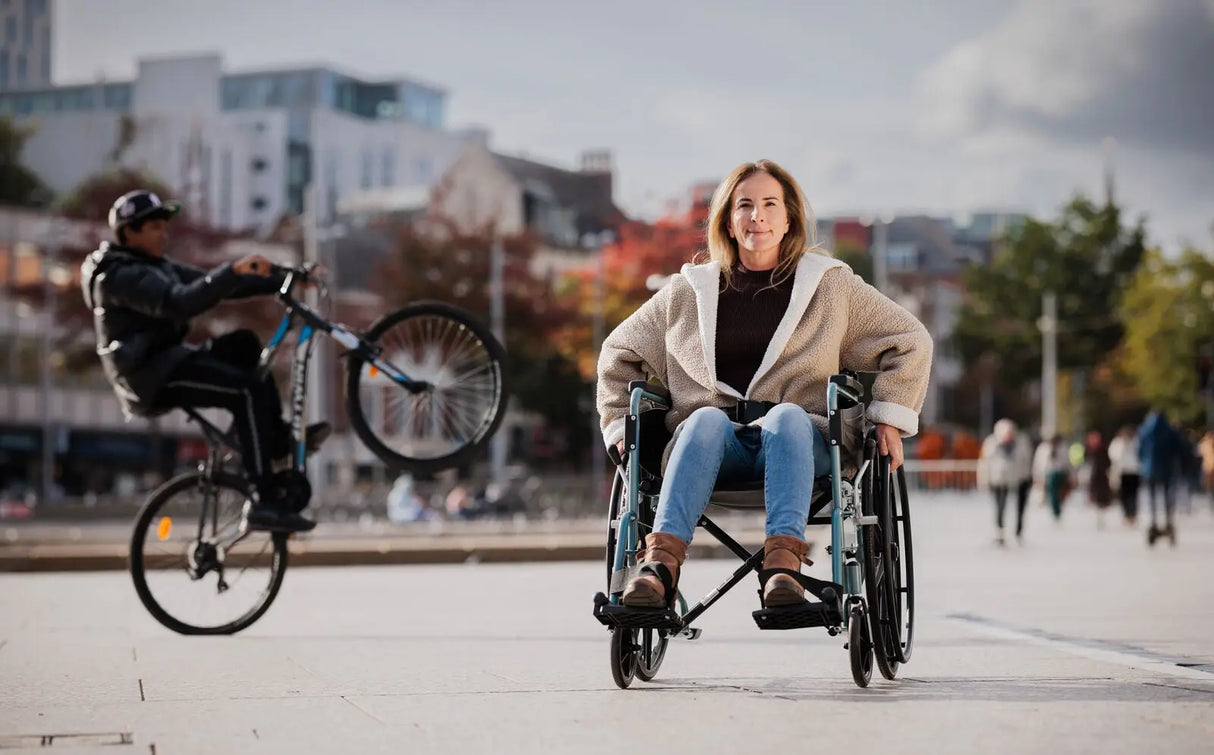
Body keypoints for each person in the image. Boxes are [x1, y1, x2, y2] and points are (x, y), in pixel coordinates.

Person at [596, 159, 932, 610]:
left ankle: (782, 570)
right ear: (728, 221)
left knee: (788, 417)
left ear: (789, 217)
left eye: (770, 204)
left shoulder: (830, 288)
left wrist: (889, 417)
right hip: (714, 450)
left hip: (804, 445)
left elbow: (910, 339)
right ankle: (659, 567)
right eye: (745, 205)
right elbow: (618, 352)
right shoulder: (686, 293)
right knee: (705, 421)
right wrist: (619, 425)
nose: (758, 216)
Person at [81, 190, 330, 533]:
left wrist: (287, 278)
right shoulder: (118, 277)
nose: (163, 233)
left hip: (170, 361)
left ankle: (275, 446)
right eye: (154, 227)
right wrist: (230, 272)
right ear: (129, 232)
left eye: (164, 226)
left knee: (243, 343)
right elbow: (179, 303)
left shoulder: (155, 266)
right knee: (245, 392)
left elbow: (216, 286)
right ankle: (264, 500)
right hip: (150, 378)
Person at [978, 418, 1032, 545]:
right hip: (998, 480)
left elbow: (1026, 460)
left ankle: (1018, 531)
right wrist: (983, 479)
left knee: (1020, 506)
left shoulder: (1021, 442)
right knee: (1000, 506)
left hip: (1019, 479)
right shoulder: (991, 444)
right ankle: (1000, 531)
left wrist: (1028, 476)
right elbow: (984, 463)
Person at [1137, 410, 1181, 546]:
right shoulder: (1169, 431)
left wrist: (1143, 463)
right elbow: (1179, 449)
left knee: (1152, 498)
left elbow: (1139, 451)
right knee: (1168, 497)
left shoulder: (1145, 431)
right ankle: (1168, 520)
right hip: (1167, 469)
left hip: (1149, 470)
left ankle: (1154, 521)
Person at [1107, 425, 1141, 525]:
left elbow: (1140, 454)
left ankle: (1133, 514)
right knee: (1125, 495)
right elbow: (1113, 455)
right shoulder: (1118, 443)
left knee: (1133, 494)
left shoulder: (1135, 442)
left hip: (1134, 471)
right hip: (1123, 472)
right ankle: (1126, 514)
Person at [1033, 434, 1071, 522]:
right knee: (1052, 492)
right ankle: (1055, 511)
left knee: (1060, 493)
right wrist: (1037, 475)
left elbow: (1067, 461)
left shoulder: (1062, 447)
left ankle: (1057, 509)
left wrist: (1070, 474)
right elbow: (1038, 462)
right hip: (1048, 473)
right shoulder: (1043, 448)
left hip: (1060, 473)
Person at [1084, 430, 1113, 527]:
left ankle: (1101, 515)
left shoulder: (1102, 450)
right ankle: (1098, 516)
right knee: (1095, 497)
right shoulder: (1088, 451)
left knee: (1101, 498)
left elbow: (1108, 463)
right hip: (1094, 478)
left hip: (1101, 477)